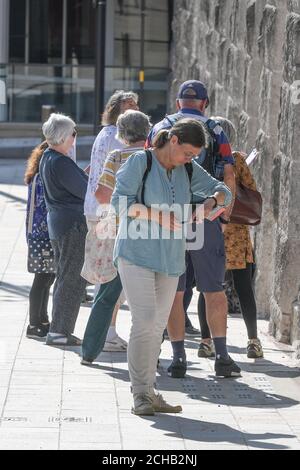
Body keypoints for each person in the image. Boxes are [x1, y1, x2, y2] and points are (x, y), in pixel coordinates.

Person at [112, 118, 233, 416]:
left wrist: (209, 203)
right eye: (188, 153)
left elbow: (223, 191)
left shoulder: (188, 169)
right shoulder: (141, 162)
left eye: (193, 157)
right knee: (145, 321)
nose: (189, 160)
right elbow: (118, 204)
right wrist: (157, 217)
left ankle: (150, 391)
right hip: (135, 253)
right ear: (174, 141)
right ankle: (140, 394)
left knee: (156, 327)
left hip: (170, 258)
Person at [147, 80, 239, 379]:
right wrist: (223, 217)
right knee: (213, 288)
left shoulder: (160, 128)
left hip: (168, 219)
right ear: (205, 103)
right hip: (205, 217)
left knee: (175, 291)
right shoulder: (215, 130)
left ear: (178, 103)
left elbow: (149, 169)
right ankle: (223, 357)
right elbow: (228, 173)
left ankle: (178, 358)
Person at [81, 110, 151, 364]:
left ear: (121, 134)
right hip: (151, 233)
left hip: (121, 232)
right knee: (150, 297)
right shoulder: (154, 158)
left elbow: (101, 195)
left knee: (107, 294)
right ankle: (149, 354)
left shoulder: (117, 156)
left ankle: (89, 351)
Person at [195, 117, 264, 359]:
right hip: (235, 231)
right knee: (244, 287)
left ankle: (206, 342)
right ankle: (253, 341)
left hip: (208, 227)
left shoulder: (198, 159)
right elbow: (251, 189)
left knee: (208, 287)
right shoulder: (235, 159)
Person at [39, 113, 88, 346]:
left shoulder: (49, 157)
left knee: (65, 277)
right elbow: (86, 192)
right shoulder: (60, 161)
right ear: (63, 136)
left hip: (60, 224)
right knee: (72, 279)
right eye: (73, 133)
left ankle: (59, 329)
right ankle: (60, 331)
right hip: (72, 226)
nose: (74, 138)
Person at [25, 141, 55, 338]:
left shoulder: (37, 176)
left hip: (40, 234)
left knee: (47, 278)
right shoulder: (41, 179)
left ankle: (42, 319)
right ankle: (34, 323)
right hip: (42, 235)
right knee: (42, 278)